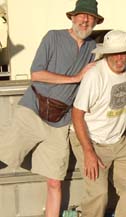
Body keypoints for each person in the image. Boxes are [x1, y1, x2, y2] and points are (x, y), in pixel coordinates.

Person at [0, 0, 103, 216]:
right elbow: (36, 74)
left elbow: (116, 60)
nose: (85, 20)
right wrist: (76, 77)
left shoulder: (94, 48)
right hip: (33, 110)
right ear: (72, 17)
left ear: (95, 21)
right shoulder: (53, 37)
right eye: (82, 15)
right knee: (1, 158)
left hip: (61, 122)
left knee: (55, 182)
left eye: (90, 17)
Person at [70, 30, 126, 217]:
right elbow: (77, 113)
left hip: (117, 141)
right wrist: (88, 152)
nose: (120, 58)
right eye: (115, 53)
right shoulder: (95, 75)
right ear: (106, 54)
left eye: (124, 53)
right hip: (90, 140)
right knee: (98, 194)